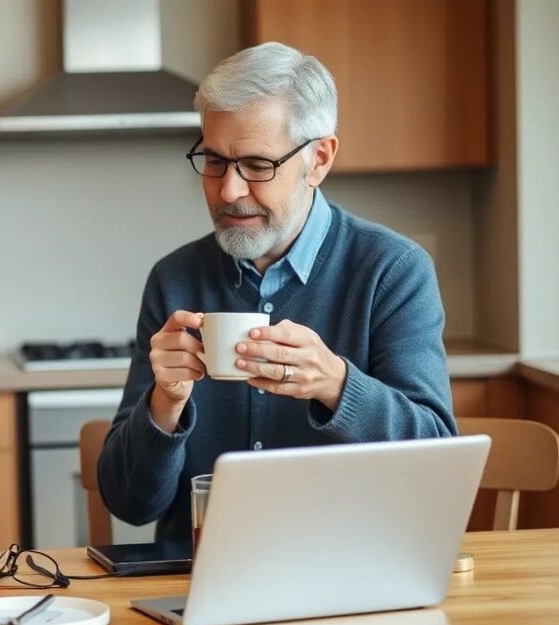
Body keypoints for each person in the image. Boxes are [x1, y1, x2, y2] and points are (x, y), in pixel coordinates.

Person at [98, 42, 456, 543]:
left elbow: (437, 468)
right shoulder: (174, 279)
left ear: (319, 160)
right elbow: (129, 505)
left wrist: (336, 384)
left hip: (347, 569)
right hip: (198, 573)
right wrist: (164, 404)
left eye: (257, 165)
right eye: (215, 161)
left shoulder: (392, 271)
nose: (228, 191)